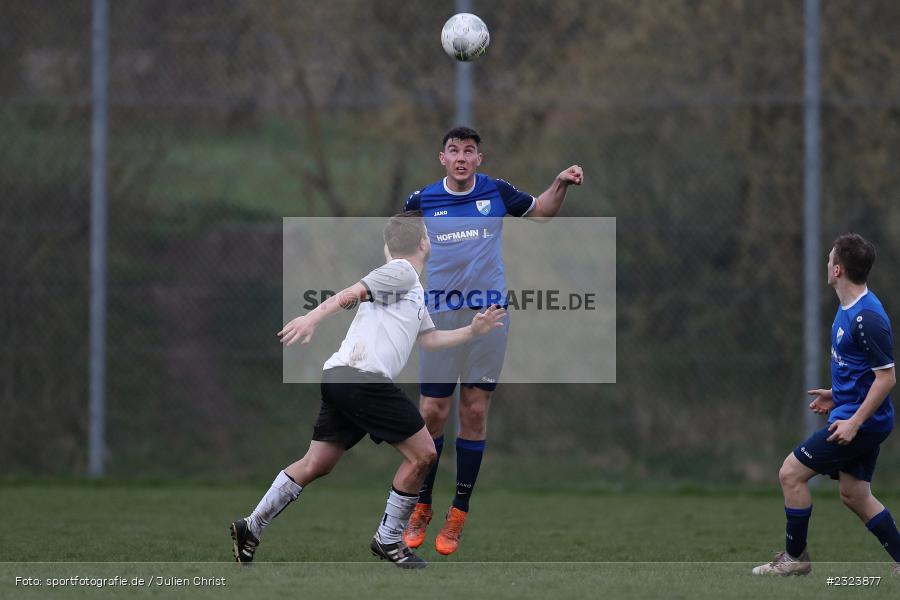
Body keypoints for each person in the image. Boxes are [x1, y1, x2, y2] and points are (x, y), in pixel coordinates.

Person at [230, 212, 507, 568]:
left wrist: (472, 331)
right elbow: (352, 293)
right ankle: (389, 539)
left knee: (317, 463)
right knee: (424, 454)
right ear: (426, 243)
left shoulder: (411, 287)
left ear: (387, 245)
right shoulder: (401, 272)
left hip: (341, 377)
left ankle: (251, 526)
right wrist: (311, 318)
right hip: (363, 380)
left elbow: (430, 340)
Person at [401, 126, 583, 555]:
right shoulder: (421, 200)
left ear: (478, 159)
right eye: (454, 150)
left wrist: (560, 183)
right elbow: (398, 248)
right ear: (442, 158)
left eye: (469, 151)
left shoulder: (496, 191)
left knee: (475, 410)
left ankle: (458, 513)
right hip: (441, 318)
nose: (461, 157)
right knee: (432, 412)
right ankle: (422, 505)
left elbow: (542, 212)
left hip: (490, 316)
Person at [752, 233, 900, 576]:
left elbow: (887, 378)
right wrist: (837, 394)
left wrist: (853, 422)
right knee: (855, 494)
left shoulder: (867, 317)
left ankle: (795, 559)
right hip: (855, 414)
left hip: (861, 423)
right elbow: (863, 371)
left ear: (837, 270)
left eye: (829, 259)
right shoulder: (848, 307)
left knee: (790, 474)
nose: (826, 264)